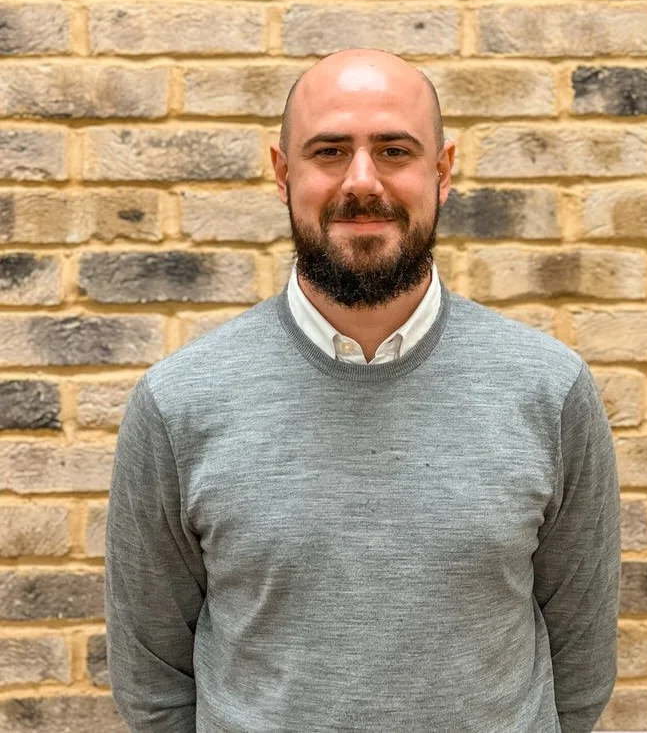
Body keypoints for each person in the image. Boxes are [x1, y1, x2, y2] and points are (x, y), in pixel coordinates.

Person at [106, 49, 620, 732]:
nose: (362, 180)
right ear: (282, 174)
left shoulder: (550, 391)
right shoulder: (178, 403)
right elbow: (151, 679)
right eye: (329, 151)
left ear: (443, 172)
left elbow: (580, 667)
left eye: (394, 151)